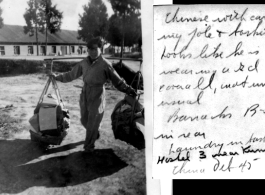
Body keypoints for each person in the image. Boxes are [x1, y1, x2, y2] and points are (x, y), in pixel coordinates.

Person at [48, 37, 137, 152]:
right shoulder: (83, 63)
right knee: (84, 119)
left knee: (92, 121)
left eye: (95, 49)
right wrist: (57, 77)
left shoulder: (105, 64)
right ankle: (95, 131)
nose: (92, 51)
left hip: (98, 94)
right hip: (85, 92)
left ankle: (89, 146)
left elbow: (117, 81)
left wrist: (129, 90)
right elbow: (71, 75)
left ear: (100, 49)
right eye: (89, 49)